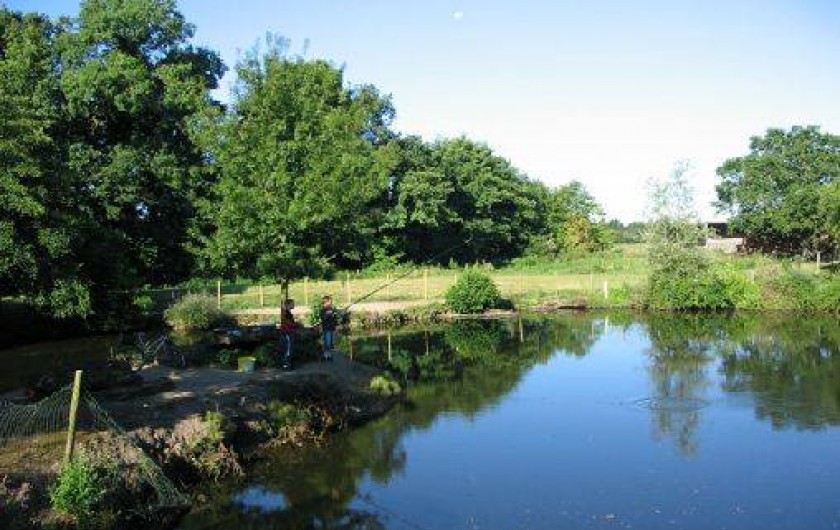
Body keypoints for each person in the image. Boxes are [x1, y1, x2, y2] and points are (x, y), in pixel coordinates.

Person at [278, 299, 297, 370]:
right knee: (288, 349)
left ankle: (287, 364)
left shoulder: (287, 312)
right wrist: (296, 324)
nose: (294, 305)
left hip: (288, 332)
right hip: (287, 333)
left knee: (289, 349)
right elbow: (288, 323)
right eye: (293, 304)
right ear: (288, 305)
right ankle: (286, 365)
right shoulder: (286, 313)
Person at [319, 295, 338, 360]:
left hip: (332, 328)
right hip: (326, 329)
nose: (331, 303)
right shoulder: (323, 310)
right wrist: (330, 313)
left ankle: (329, 355)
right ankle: (325, 355)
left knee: (331, 343)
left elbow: (335, 318)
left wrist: (337, 314)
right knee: (327, 342)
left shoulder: (332, 309)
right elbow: (323, 318)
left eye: (331, 302)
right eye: (330, 302)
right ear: (325, 302)